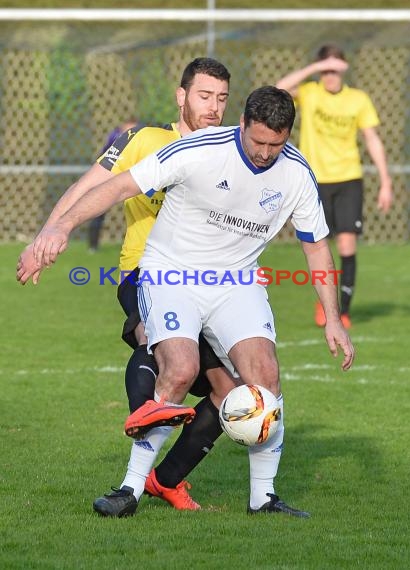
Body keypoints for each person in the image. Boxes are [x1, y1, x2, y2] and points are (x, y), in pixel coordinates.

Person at [27, 85, 355, 517]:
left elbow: (316, 247)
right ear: (242, 124)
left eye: (276, 144)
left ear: (288, 136)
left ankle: (263, 498)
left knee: (266, 378)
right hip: (171, 273)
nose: (265, 152)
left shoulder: (295, 172)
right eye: (258, 141)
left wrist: (333, 318)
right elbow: (118, 186)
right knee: (180, 367)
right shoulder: (198, 150)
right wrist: (60, 226)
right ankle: (129, 489)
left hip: (236, 281)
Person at [17, 58, 239, 516]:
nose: (213, 107)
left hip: (205, 283)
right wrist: (49, 232)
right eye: (204, 96)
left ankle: (167, 479)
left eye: (221, 98)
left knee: (229, 393)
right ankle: (144, 415)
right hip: (145, 272)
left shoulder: (227, 152)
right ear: (181, 96)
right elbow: (87, 186)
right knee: (150, 337)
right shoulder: (144, 140)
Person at [276, 44, 393, 329]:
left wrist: (385, 181)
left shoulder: (358, 99)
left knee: (347, 243)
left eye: (334, 70)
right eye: (325, 70)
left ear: (344, 70)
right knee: (320, 246)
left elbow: (371, 138)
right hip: (315, 181)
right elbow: (278, 89)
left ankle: (343, 311)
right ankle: (325, 303)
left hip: (348, 179)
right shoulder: (310, 92)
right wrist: (315, 68)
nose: (330, 76)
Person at [88, 119, 140, 252]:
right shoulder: (115, 140)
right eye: (128, 130)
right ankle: (93, 246)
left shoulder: (141, 142)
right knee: (98, 209)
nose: (131, 133)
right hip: (110, 178)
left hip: (131, 178)